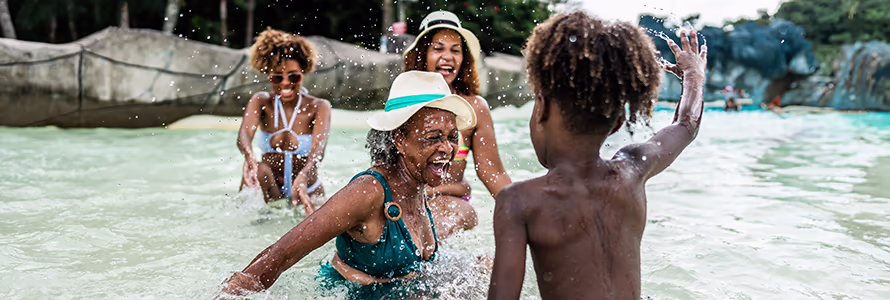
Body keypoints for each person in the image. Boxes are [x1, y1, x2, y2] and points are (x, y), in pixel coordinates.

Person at [488, 12, 707, 300]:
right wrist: (694, 74)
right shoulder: (632, 170)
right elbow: (686, 125)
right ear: (617, 122)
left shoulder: (518, 201)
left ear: (541, 108)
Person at [219, 71, 478, 298]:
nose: (447, 148)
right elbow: (282, 253)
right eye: (434, 137)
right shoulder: (368, 191)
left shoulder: (417, 184)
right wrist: (229, 295)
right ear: (399, 139)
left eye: (452, 137)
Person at [403, 11, 512, 238]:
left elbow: (494, 173)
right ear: (422, 55)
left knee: (431, 234)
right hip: (406, 201)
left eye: (456, 50)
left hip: (452, 203)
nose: (449, 57)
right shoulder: (404, 104)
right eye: (438, 48)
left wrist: (525, 214)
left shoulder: (475, 107)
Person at [237, 27, 332, 215]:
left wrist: (304, 175)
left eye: (293, 76)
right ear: (268, 76)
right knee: (261, 170)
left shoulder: (319, 106)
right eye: (277, 77)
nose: (286, 83)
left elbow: (318, 150)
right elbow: (244, 135)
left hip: (307, 187)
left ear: (304, 70)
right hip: (268, 187)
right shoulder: (262, 102)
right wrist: (249, 158)